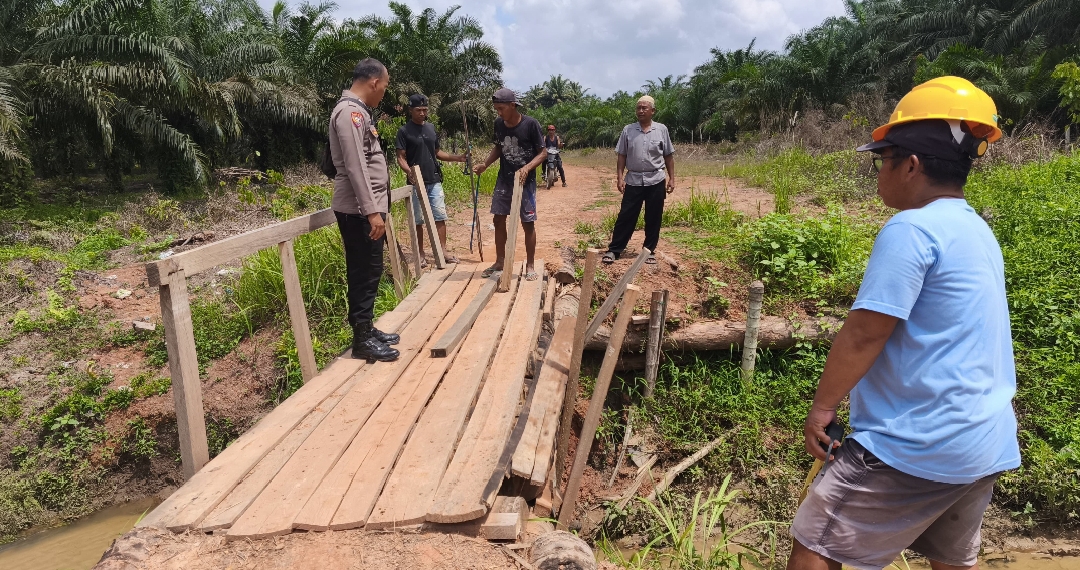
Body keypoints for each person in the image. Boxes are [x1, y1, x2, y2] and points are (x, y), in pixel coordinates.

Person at [788, 76, 1019, 570]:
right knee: (951, 560)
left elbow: (866, 332)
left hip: (917, 443)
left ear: (910, 164)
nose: (878, 173)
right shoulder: (975, 229)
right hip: (985, 441)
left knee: (815, 543)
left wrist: (822, 408)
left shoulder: (912, 228)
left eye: (882, 159)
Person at [328, 58, 400, 363]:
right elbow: (356, 167)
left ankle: (367, 329)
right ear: (374, 82)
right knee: (362, 271)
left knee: (371, 271)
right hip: (358, 211)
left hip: (366, 209)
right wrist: (372, 212)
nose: (383, 92)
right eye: (384, 86)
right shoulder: (350, 114)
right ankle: (361, 340)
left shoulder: (358, 112)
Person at [473, 88, 546, 281]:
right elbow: (499, 146)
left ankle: (530, 264)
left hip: (525, 181)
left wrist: (527, 168)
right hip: (504, 179)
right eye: (496, 109)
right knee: (498, 220)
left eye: (501, 108)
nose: (498, 113)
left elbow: (543, 153)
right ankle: (500, 261)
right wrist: (485, 165)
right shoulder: (499, 124)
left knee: (527, 223)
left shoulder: (531, 124)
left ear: (513, 106)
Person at [395, 93, 469, 265]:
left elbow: (437, 152)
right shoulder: (404, 131)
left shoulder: (430, 128)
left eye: (425, 110)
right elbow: (400, 157)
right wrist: (409, 172)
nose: (422, 113)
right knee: (418, 219)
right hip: (416, 183)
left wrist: (458, 158)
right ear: (411, 110)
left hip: (434, 179)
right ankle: (420, 254)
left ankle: (442, 251)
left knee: (439, 215)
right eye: (418, 110)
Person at [603, 95, 675, 265]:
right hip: (633, 179)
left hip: (656, 179)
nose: (641, 111)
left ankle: (648, 252)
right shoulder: (628, 130)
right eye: (638, 108)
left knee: (654, 216)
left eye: (644, 108)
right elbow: (622, 155)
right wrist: (620, 177)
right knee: (626, 216)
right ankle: (615, 250)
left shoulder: (661, 130)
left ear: (653, 111)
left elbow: (668, 156)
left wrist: (672, 178)